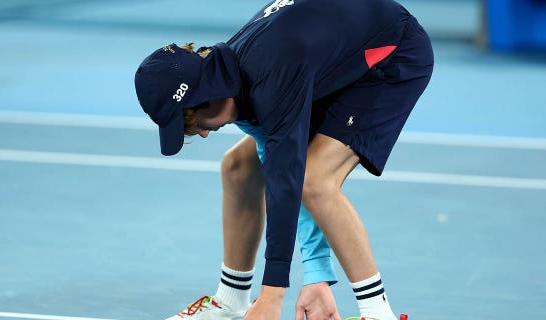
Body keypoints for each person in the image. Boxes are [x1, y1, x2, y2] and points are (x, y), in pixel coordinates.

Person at [134, 0, 434, 319]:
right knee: (238, 168)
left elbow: (290, 178)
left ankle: (378, 312)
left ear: (206, 94)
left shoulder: (270, 79)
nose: (205, 133)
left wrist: (273, 296)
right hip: (330, 51)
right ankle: (231, 299)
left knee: (316, 181)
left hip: (390, 55)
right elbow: (279, 168)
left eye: (197, 122)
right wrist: (316, 276)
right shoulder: (228, 79)